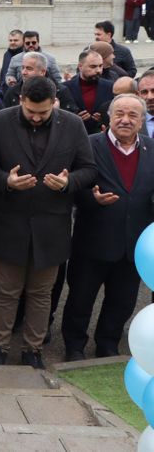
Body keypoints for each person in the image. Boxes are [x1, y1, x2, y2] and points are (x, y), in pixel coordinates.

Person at [0, 76, 97, 369]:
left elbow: (88, 169)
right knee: (6, 291)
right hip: (9, 224)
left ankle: (33, 349)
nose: (36, 117)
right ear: (21, 99)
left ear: (54, 102)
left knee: (41, 293)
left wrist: (68, 182)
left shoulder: (72, 125)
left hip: (52, 226)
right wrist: (6, 181)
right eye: (31, 111)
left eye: (43, 112)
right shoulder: (0, 121)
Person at [62, 94, 154, 361]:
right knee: (80, 298)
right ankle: (74, 346)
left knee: (122, 301)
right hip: (93, 239)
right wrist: (92, 199)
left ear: (141, 120)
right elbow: (72, 186)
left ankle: (107, 343)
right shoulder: (88, 145)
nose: (125, 120)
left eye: (133, 115)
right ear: (110, 117)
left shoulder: (151, 148)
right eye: (120, 114)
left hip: (133, 243)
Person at [3, 52, 77, 112]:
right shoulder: (13, 92)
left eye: (29, 68)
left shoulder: (60, 92)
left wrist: (55, 112)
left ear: (42, 72)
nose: (23, 72)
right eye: (23, 68)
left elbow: (70, 121)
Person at [63, 50, 113, 134]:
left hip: (100, 134)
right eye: (93, 67)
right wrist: (75, 118)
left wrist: (103, 119)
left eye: (100, 66)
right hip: (74, 134)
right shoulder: (65, 88)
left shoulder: (110, 87)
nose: (98, 70)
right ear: (80, 66)